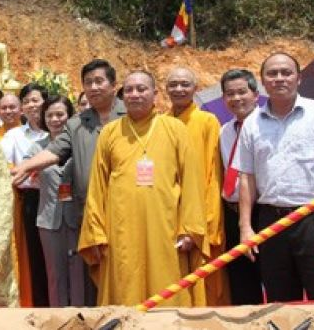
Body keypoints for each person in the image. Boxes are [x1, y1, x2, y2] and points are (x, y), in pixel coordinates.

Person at [78, 71, 206, 307]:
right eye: (129, 90)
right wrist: (96, 231)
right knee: (125, 281)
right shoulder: (110, 132)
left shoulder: (175, 128)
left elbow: (191, 181)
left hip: (165, 225)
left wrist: (189, 228)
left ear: (155, 94)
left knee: (166, 283)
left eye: (141, 89)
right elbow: (97, 185)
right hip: (120, 227)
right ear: (122, 96)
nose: (135, 94)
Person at [236, 52, 314, 302]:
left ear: (299, 78)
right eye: (272, 74)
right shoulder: (252, 123)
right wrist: (245, 227)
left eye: (286, 73)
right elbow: (246, 178)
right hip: (271, 222)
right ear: (263, 81)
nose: (279, 79)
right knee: (280, 299)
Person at [10, 59, 126, 306]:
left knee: (124, 268)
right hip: (89, 212)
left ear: (113, 84)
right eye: (88, 82)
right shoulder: (77, 124)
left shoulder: (131, 115)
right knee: (93, 269)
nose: (93, 87)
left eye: (99, 81)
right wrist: (25, 166)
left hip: (126, 210)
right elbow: (54, 151)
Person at [166, 67, 226, 306]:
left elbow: (213, 173)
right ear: (165, 89)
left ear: (195, 88)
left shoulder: (206, 121)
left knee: (204, 282)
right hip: (170, 213)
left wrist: (208, 220)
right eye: (173, 84)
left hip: (201, 212)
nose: (179, 89)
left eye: (185, 84)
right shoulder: (162, 123)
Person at [217, 69, 264, 305]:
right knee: (241, 282)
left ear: (255, 95)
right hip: (231, 212)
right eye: (229, 94)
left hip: (260, 211)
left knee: (270, 275)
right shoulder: (225, 131)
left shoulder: (266, 126)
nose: (236, 99)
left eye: (242, 92)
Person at [1, 84, 49, 307]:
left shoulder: (59, 129)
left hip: (59, 198)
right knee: (34, 256)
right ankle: (37, 304)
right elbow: (0, 163)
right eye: (27, 101)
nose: (32, 105)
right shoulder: (14, 135)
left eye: (36, 100)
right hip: (30, 199)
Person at [32, 95, 82, 307]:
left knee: (80, 273)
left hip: (78, 218)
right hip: (49, 220)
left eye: (60, 114)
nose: (55, 119)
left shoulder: (80, 144)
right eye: (50, 115)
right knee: (55, 274)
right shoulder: (37, 148)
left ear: (69, 116)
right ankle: (57, 318)